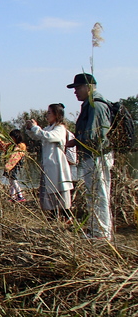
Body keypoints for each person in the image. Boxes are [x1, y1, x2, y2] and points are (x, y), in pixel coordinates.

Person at [65, 73, 113, 239]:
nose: (75, 91)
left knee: (99, 195)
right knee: (95, 195)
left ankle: (101, 233)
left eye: (77, 87)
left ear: (89, 87)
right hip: (92, 157)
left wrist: (75, 141)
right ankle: (96, 230)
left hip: (96, 157)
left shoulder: (95, 106)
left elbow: (94, 136)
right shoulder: (89, 105)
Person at [26, 104, 74, 220]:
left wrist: (35, 128)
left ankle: (66, 216)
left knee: (60, 189)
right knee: (50, 190)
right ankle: (54, 214)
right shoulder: (49, 128)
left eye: (49, 113)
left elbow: (48, 136)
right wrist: (30, 128)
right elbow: (38, 135)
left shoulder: (60, 128)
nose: (47, 115)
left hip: (58, 165)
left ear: (56, 115)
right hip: (49, 165)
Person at [0, 130, 26, 202]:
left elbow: (15, 156)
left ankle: (20, 195)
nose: (11, 139)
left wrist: (8, 166)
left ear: (17, 137)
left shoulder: (21, 146)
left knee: (13, 180)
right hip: (10, 165)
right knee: (11, 180)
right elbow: (4, 146)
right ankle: (13, 196)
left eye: (12, 137)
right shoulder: (11, 145)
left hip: (15, 164)